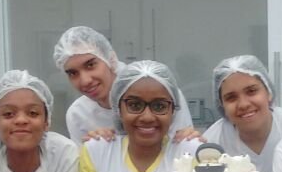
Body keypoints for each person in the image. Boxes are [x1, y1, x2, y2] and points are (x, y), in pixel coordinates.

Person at [53, 26, 194, 141]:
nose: (85, 80)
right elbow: (85, 163)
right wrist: (96, 147)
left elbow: (182, 150)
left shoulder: (162, 93)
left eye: (90, 65)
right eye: (73, 73)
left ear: (110, 59)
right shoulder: (78, 115)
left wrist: (188, 138)